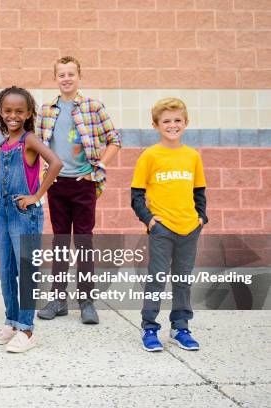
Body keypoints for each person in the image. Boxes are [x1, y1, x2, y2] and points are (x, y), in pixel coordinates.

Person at [0, 86, 63, 352]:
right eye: (7, 111)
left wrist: (36, 195)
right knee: (6, 273)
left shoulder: (29, 140)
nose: (12, 115)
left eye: (19, 111)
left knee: (27, 272)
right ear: (0, 112)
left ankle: (27, 330)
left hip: (25, 216)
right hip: (4, 215)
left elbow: (56, 163)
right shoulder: (2, 144)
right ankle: (12, 322)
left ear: (28, 113)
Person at [35, 56, 121, 324]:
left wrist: (98, 169)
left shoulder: (93, 107)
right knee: (60, 242)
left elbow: (114, 140)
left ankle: (86, 301)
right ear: (56, 78)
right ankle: (58, 299)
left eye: (71, 74)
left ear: (79, 76)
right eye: (61, 74)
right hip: (57, 184)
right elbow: (37, 145)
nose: (66, 78)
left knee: (84, 242)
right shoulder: (46, 109)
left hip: (84, 184)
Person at [131, 97, 207, 352]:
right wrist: (150, 220)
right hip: (163, 229)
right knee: (157, 278)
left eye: (177, 120)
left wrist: (201, 218)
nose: (172, 125)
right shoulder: (150, 155)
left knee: (183, 280)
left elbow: (199, 192)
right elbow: (136, 195)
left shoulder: (192, 156)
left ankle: (180, 327)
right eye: (166, 121)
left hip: (189, 228)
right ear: (156, 125)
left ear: (186, 123)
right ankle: (149, 327)